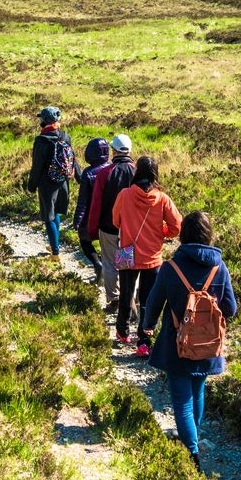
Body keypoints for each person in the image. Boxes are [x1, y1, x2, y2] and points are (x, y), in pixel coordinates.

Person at [140, 211, 238, 471]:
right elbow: (231, 307)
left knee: (181, 400)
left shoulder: (171, 267)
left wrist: (147, 326)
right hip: (207, 345)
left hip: (177, 344)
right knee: (198, 391)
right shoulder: (220, 267)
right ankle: (191, 437)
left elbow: (154, 302)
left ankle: (192, 455)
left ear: (183, 234)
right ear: (209, 235)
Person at [110, 156, 181, 356]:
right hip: (152, 256)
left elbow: (116, 221)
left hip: (127, 253)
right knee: (148, 299)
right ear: (155, 174)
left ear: (136, 172)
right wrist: (162, 232)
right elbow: (177, 227)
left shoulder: (124, 195)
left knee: (126, 293)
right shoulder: (162, 199)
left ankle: (122, 331)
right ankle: (144, 341)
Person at [84, 134, 136, 313]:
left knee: (109, 264)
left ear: (113, 151)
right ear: (129, 150)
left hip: (108, 228)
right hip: (130, 230)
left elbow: (95, 205)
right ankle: (129, 300)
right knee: (127, 264)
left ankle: (114, 300)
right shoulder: (137, 171)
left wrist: (92, 230)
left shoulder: (104, 174)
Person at [24, 106, 75, 254]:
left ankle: (55, 252)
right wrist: (79, 177)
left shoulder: (41, 141)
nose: (39, 120)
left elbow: (37, 167)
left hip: (47, 184)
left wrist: (31, 186)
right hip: (63, 181)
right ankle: (55, 244)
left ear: (45, 121)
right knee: (56, 213)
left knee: (49, 217)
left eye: (41, 118)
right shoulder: (65, 136)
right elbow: (73, 159)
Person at [72, 137, 111, 279]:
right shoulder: (112, 168)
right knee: (109, 244)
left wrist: (77, 219)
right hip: (109, 214)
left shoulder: (88, 173)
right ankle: (111, 270)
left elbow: (82, 201)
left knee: (85, 240)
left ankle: (97, 263)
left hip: (90, 214)